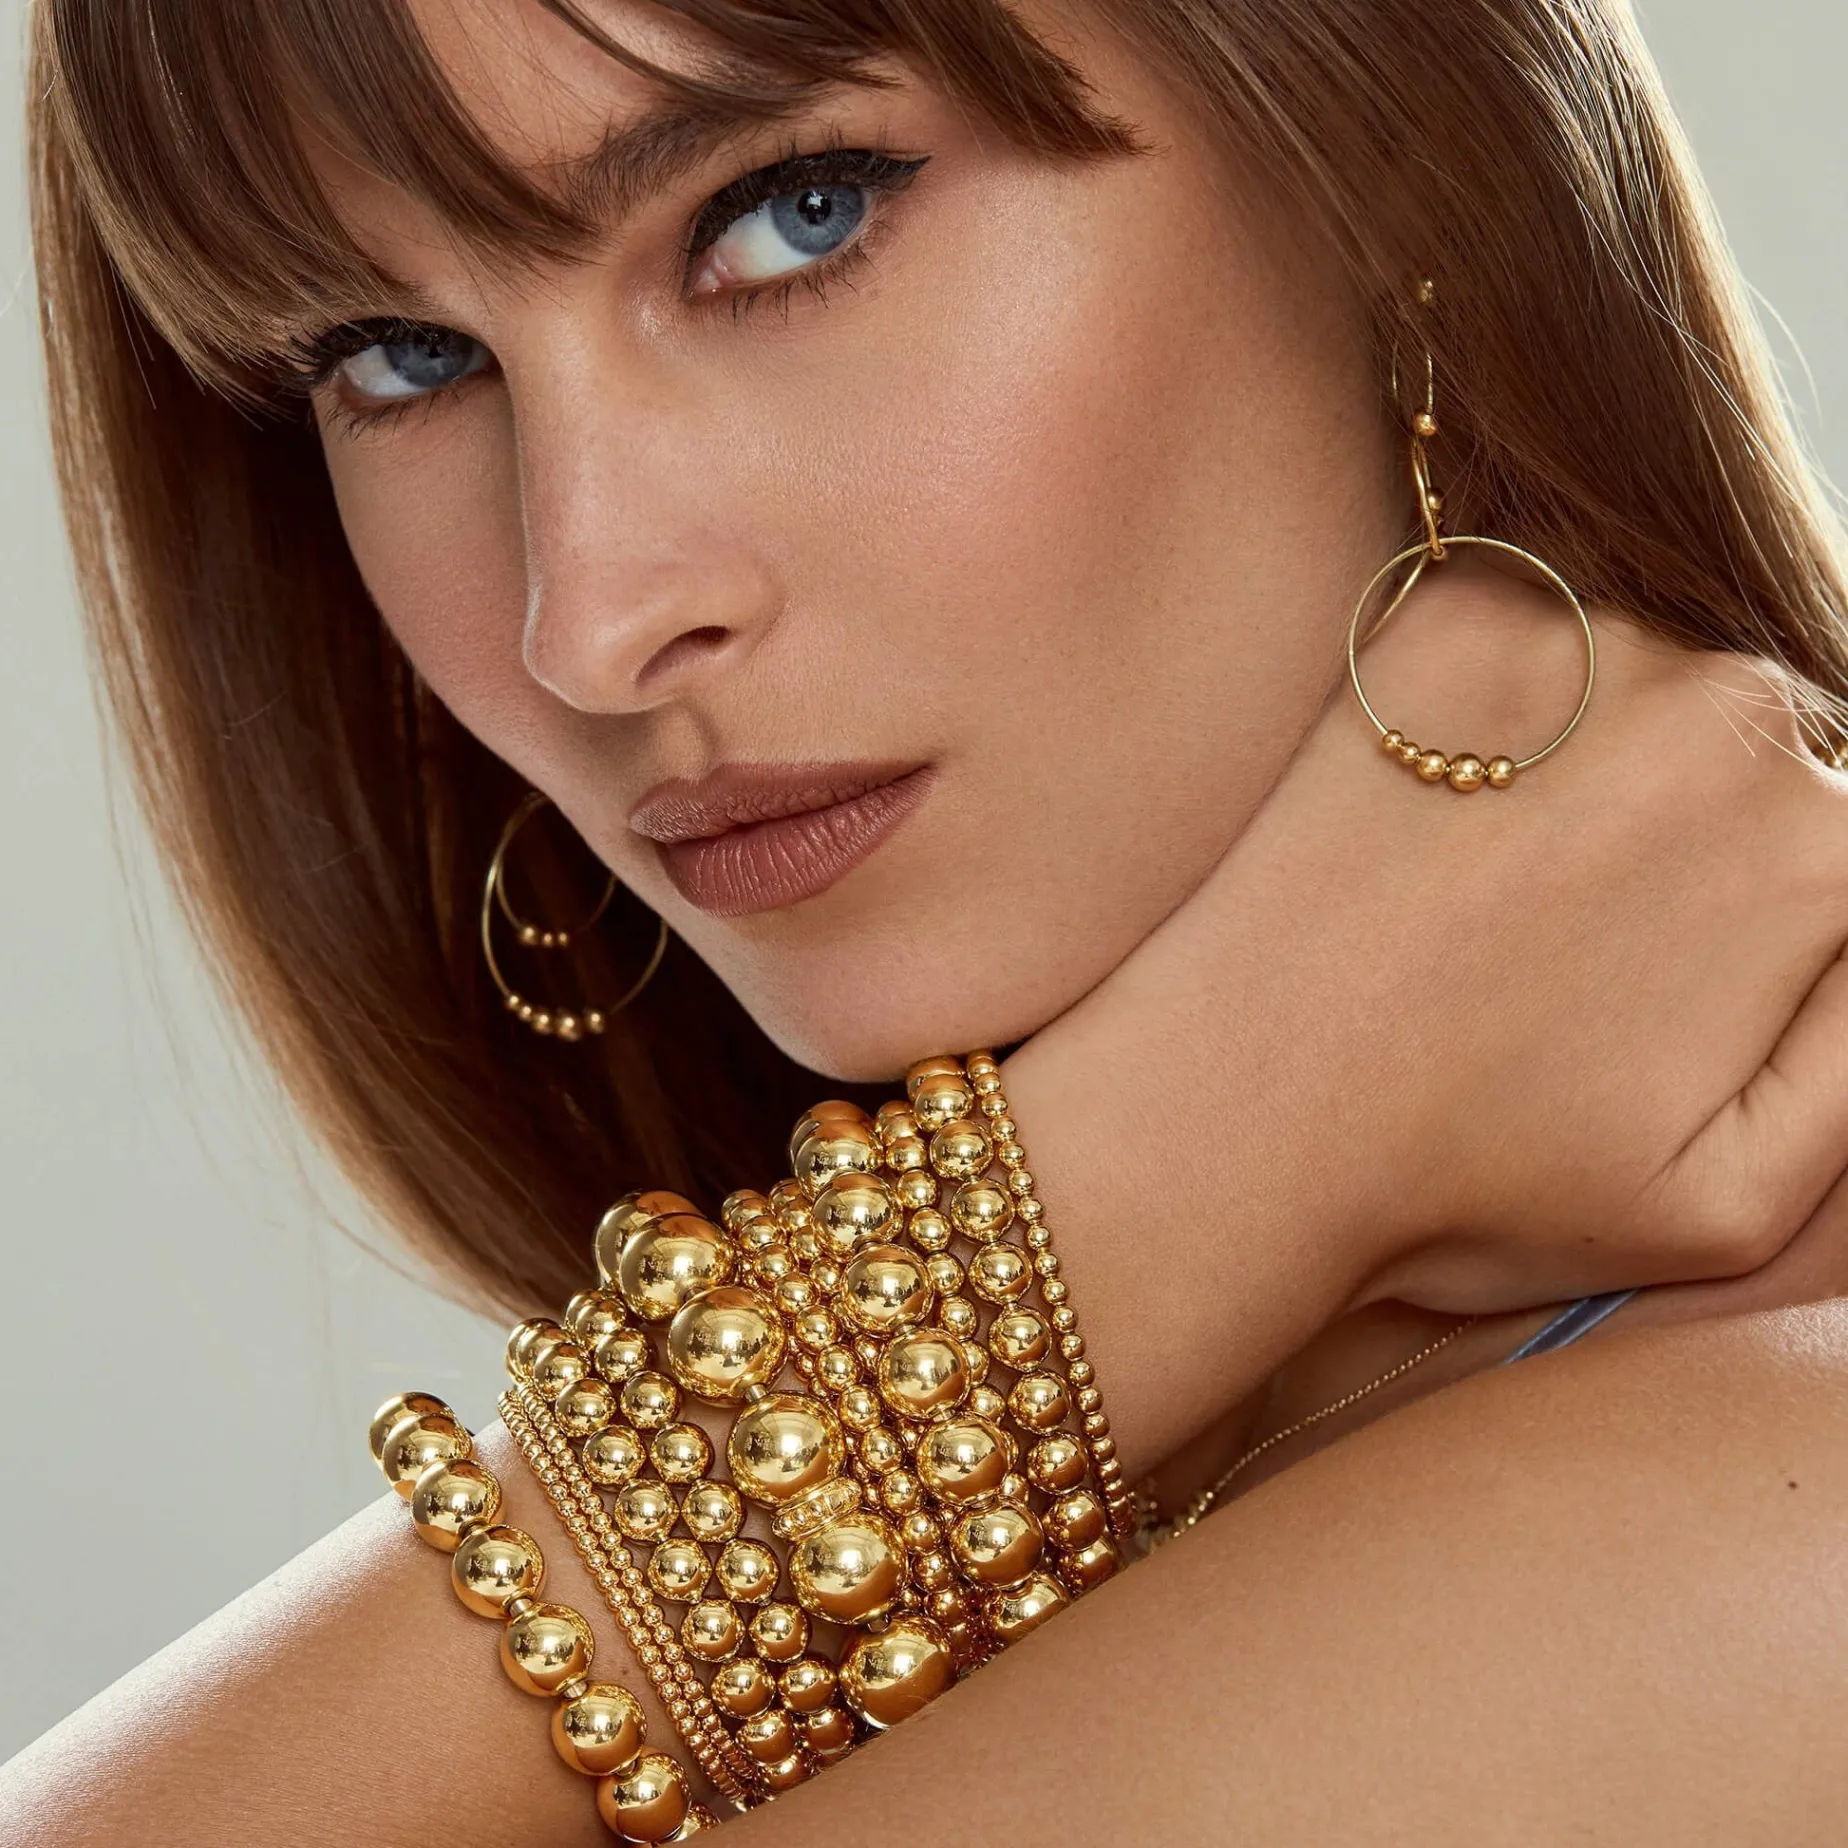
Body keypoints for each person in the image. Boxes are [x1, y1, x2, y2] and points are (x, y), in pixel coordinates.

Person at [7, 0, 1848, 1839]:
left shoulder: (1759, 1516)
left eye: (796, 211)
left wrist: (1004, 1292)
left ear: (1398, 169)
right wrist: (1186, 1176)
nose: (591, 619)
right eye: (403, 355)